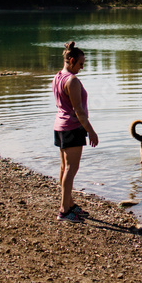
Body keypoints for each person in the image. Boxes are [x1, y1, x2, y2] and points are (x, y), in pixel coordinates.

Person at [53, 41, 99, 223]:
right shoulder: (72, 81)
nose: (82, 68)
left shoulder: (58, 77)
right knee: (71, 168)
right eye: (80, 64)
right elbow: (78, 111)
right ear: (71, 60)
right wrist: (91, 132)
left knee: (65, 168)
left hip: (59, 127)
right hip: (72, 128)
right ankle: (64, 210)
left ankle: (69, 204)